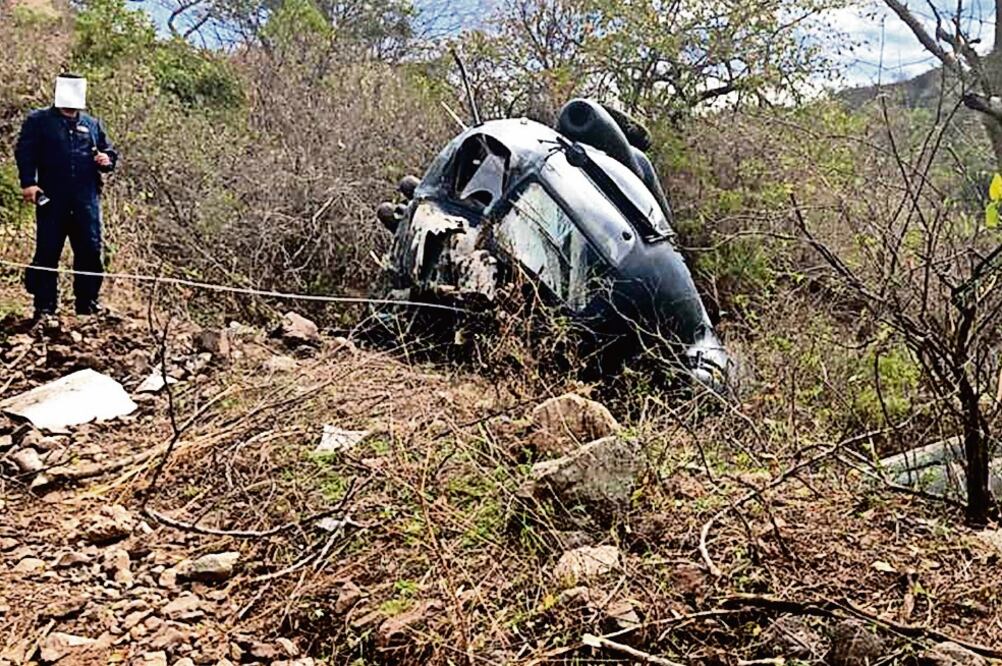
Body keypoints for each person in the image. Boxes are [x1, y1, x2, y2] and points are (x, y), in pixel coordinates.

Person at [14, 74, 118, 320]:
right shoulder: (39, 121)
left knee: (90, 251)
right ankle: (45, 307)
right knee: (48, 250)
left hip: (86, 199)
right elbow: (24, 152)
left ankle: (88, 303)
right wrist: (28, 183)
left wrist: (107, 160)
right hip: (51, 196)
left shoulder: (92, 124)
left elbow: (110, 152)